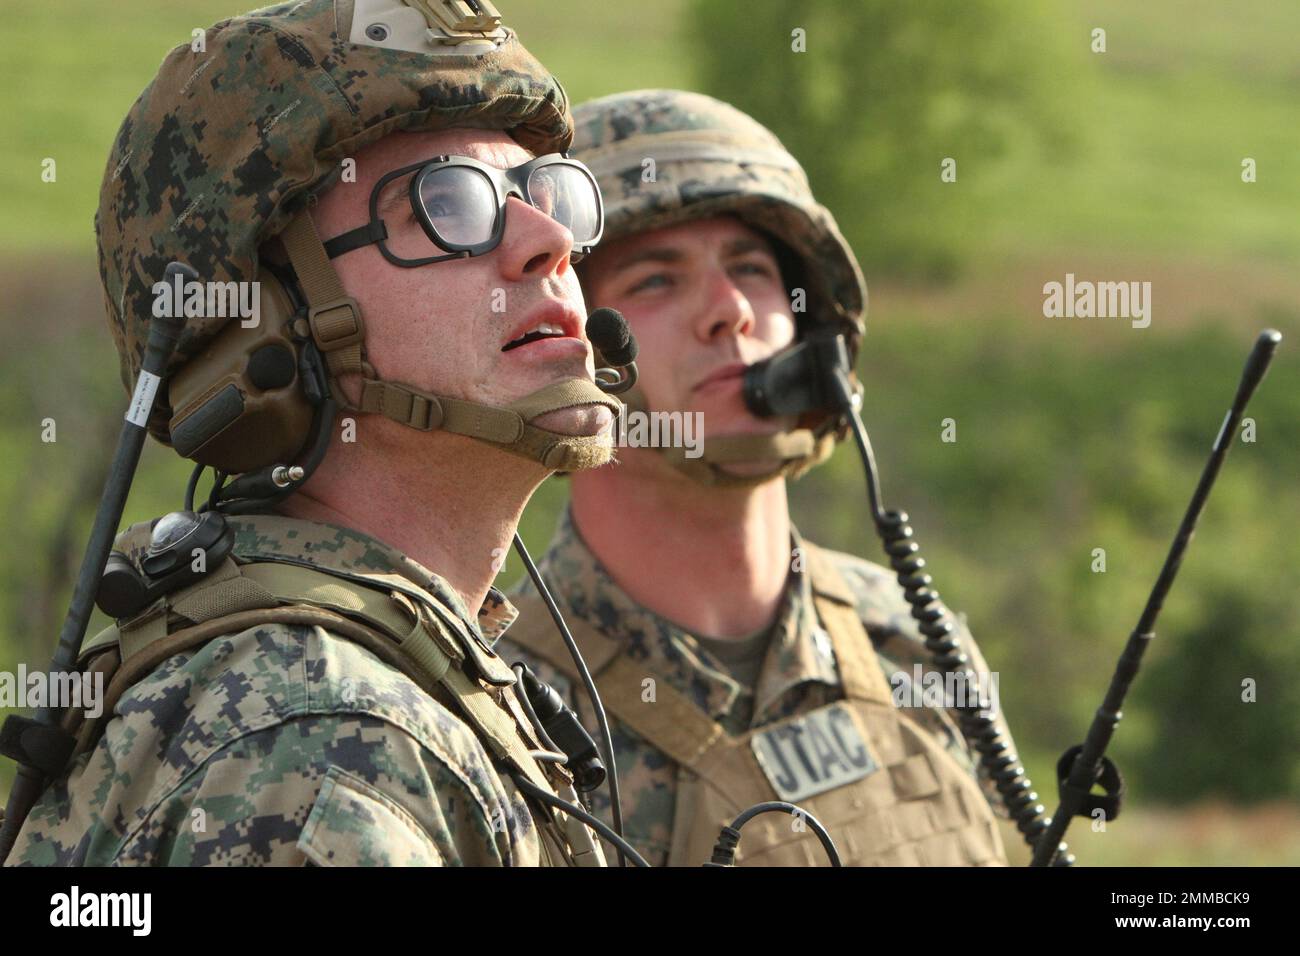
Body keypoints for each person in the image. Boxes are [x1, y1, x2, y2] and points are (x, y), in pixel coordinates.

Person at [5, 0, 620, 867]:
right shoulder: (319, 742)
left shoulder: (365, 674)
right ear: (268, 323)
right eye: (448, 202)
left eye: (543, 194)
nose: (549, 241)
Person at [498, 90, 1024, 866]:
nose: (730, 311)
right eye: (655, 281)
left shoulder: (910, 642)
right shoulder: (513, 712)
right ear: (577, 346)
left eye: (750, 268)